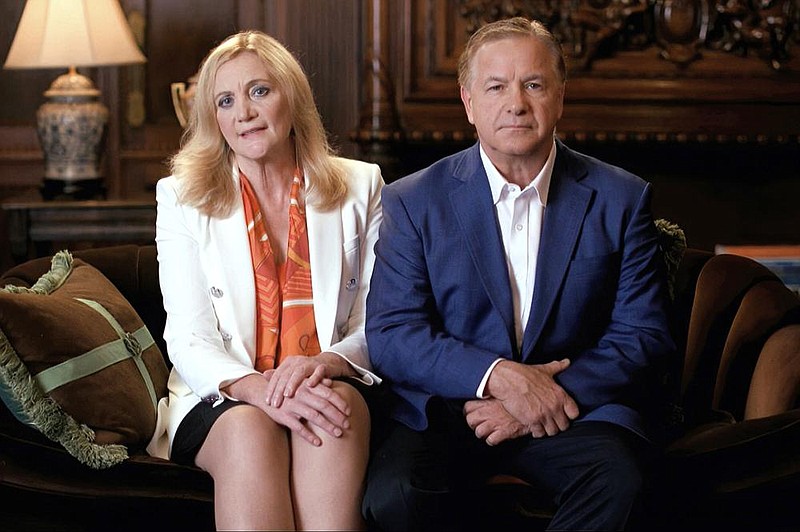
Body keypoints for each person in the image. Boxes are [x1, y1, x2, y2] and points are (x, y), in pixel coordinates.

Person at [362, 17, 675, 531]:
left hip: (572, 409)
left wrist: (537, 400)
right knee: (395, 496)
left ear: (560, 96)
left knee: (622, 479)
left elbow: (642, 334)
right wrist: (499, 380)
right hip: (453, 409)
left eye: (533, 84)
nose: (516, 103)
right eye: (496, 86)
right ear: (467, 101)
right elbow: (395, 335)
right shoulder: (413, 200)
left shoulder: (621, 197)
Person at [146, 30, 384, 531]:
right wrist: (260, 389)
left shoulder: (361, 185)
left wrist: (322, 365)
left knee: (330, 409)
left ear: (291, 97)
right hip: (225, 394)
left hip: (327, 382)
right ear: (213, 118)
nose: (244, 113)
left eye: (259, 91)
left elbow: (379, 321)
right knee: (251, 429)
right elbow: (188, 337)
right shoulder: (182, 197)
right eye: (225, 101)